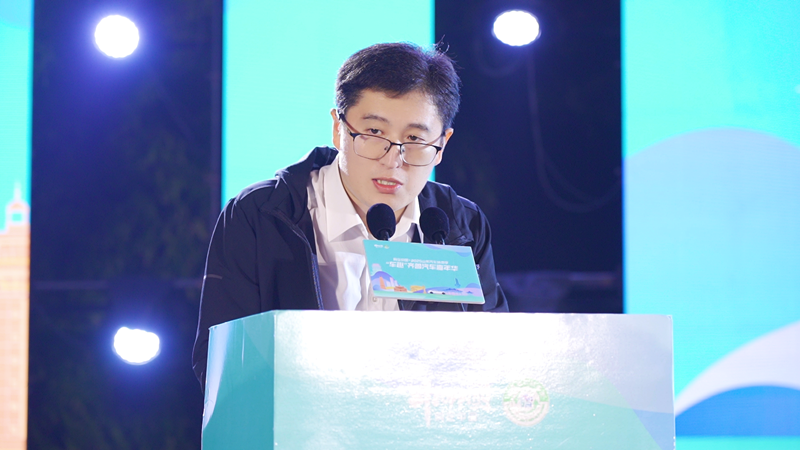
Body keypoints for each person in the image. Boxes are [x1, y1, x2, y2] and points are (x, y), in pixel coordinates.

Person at [192, 42, 508, 388]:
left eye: (414, 139)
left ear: (441, 145)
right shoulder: (263, 215)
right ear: (338, 128)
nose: (393, 159)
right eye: (374, 133)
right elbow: (220, 363)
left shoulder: (460, 225)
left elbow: (490, 357)